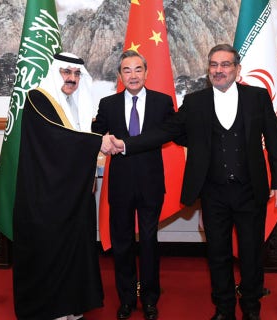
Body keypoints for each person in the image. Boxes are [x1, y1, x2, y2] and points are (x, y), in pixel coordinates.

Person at [103, 44, 277, 320]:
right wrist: (127, 144)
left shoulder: (258, 98)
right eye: (213, 65)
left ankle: (251, 309)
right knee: (217, 255)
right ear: (208, 70)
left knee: (251, 255)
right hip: (212, 193)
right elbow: (166, 131)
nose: (219, 70)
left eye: (225, 65)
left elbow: (275, 141)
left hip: (251, 191)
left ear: (237, 70)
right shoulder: (195, 101)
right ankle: (224, 309)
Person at [12, 52, 104, 320]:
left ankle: (72, 305)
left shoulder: (77, 104)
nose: (72, 79)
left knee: (75, 249)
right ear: (55, 72)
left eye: (76, 74)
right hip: (46, 195)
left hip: (74, 193)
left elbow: (77, 142)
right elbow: (56, 138)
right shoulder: (37, 98)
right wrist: (97, 142)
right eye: (67, 72)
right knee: (50, 250)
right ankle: (49, 309)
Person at [92, 50, 173, 320]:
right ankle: (126, 298)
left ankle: (150, 299)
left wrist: (125, 144)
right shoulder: (108, 104)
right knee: (123, 243)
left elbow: (164, 134)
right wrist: (100, 138)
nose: (133, 75)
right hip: (121, 185)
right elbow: (96, 134)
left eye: (138, 69)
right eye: (127, 70)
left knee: (149, 241)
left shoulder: (163, 103)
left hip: (151, 183)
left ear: (146, 73)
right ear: (120, 76)